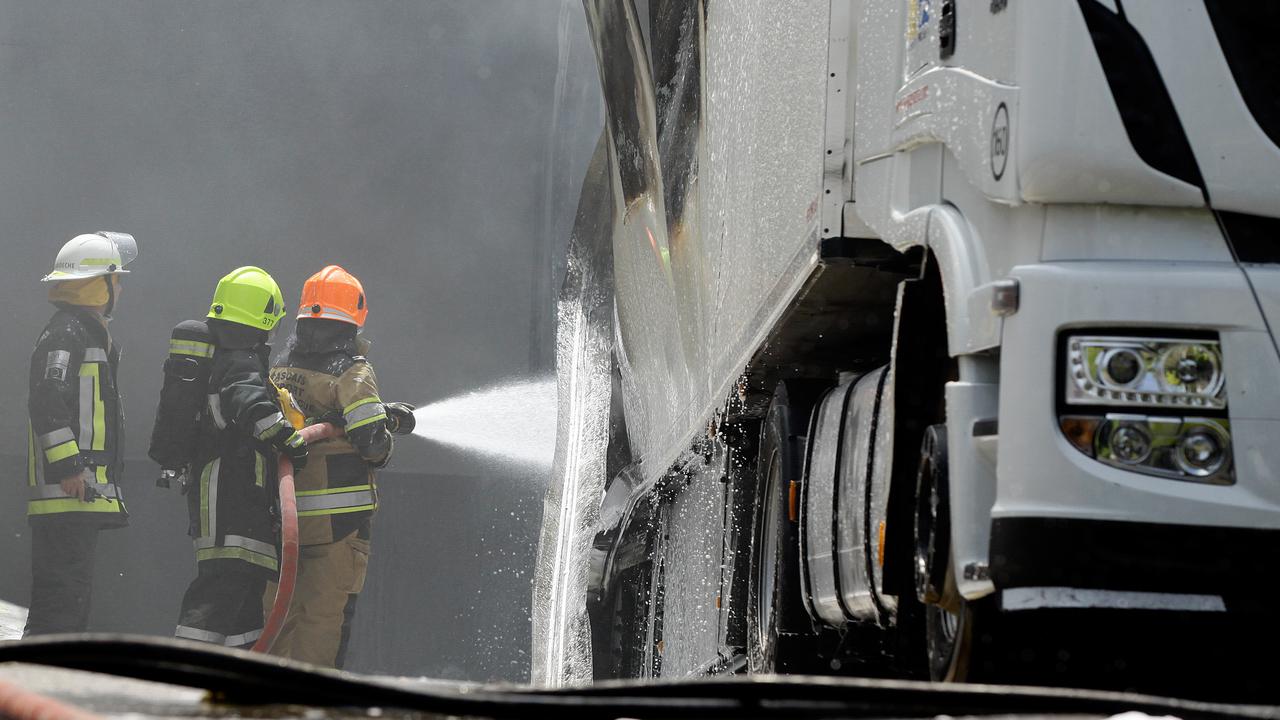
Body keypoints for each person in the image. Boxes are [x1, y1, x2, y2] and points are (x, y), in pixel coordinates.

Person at [266, 265, 413, 668]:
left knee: (280, 622)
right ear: (355, 315)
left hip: (284, 523)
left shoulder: (280, 367)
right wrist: (383, 438)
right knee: (324, 625)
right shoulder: (353, 371)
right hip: (338, 528)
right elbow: (371, 444)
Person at [173, 266, 308, 649]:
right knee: (219, 590)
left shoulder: (227, 360)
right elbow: (252, 408)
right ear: (263, 321)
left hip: (238, 502)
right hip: (229, 499)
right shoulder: (238, 363)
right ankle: (183, 671)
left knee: (244, 600)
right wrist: (290, 441)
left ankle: (236, 678)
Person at [24, 232, 137, 636]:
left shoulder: (84, 332)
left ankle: (45, 681)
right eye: (116, 279)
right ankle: (33, 687)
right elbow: (47, 402)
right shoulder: (67, 333)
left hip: (80, 493)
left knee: (70, 600)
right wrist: (70, 467)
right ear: (96, 284)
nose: (120, 288)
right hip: (67, 491)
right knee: (59, 602)